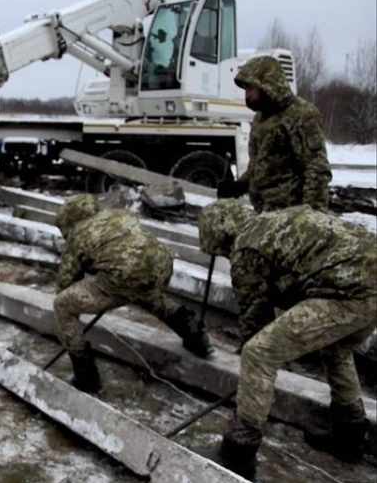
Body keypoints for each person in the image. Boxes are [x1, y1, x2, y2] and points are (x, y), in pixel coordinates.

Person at [198, 200, 376, 478]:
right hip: (367, 281)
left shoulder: (246, 246)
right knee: (336, 349)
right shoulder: (268, 222)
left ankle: (238, 453)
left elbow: (254, 316)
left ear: (222, 233)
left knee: (259, 353)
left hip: (349, 291)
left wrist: (251, 374)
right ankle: (349, 436)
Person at [53, 195, 213, 394]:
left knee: (62, 305)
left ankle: (86, 377)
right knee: (143, 292)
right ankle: (196, 337)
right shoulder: (118, 215)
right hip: (162, 264)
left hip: (124, 273)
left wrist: (81, 275)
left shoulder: (78, 233)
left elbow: (65, 282)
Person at [218, 56, 332, 213]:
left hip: (291, 214)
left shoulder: (301, 115)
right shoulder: (260, 119)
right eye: (245, 90)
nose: (247, 96)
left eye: (251, 89)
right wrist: (238, 186)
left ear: (267, 86)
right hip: (265, 212)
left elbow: (316, 168)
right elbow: (259, 166)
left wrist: (312, 216)